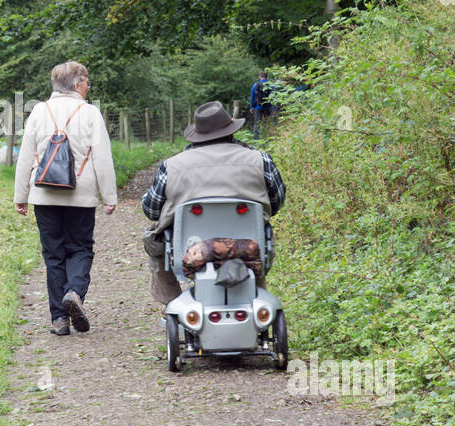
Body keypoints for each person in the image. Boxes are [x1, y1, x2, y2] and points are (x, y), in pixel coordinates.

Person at [141, 100, 286, 303]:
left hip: (191, 249)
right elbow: (277, 201)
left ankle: (170, 302)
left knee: (153, 238)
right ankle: (256, 296)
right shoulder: (261, 160)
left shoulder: (172, 165)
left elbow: (151, 210)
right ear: (231, 131)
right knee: (263, 231)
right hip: (247, 246)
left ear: (199, 135)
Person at [14, 61, 119, 335]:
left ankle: (59, 320)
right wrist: (108, 196)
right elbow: (102, 158)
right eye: (86, 83)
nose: (88, 87)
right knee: (81, 248)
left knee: (53, 255)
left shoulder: (38, 112)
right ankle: (74, 292)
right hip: (81, 196)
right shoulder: (90, 113)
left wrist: (21, 195)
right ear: (76, 84)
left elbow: (25, 157)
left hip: (44, 194)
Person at [249, 71, 274, 139]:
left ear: (260, 76)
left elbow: (253, 97)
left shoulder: (256, 85)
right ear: (267, 76)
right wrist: (273, 108)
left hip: (258, 107)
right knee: (267, 123)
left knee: (257, 124)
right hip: (268, 107)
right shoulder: (271, 84)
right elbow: (273, 97)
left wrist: (251, 107)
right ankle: (267, 138)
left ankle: (256, 139)